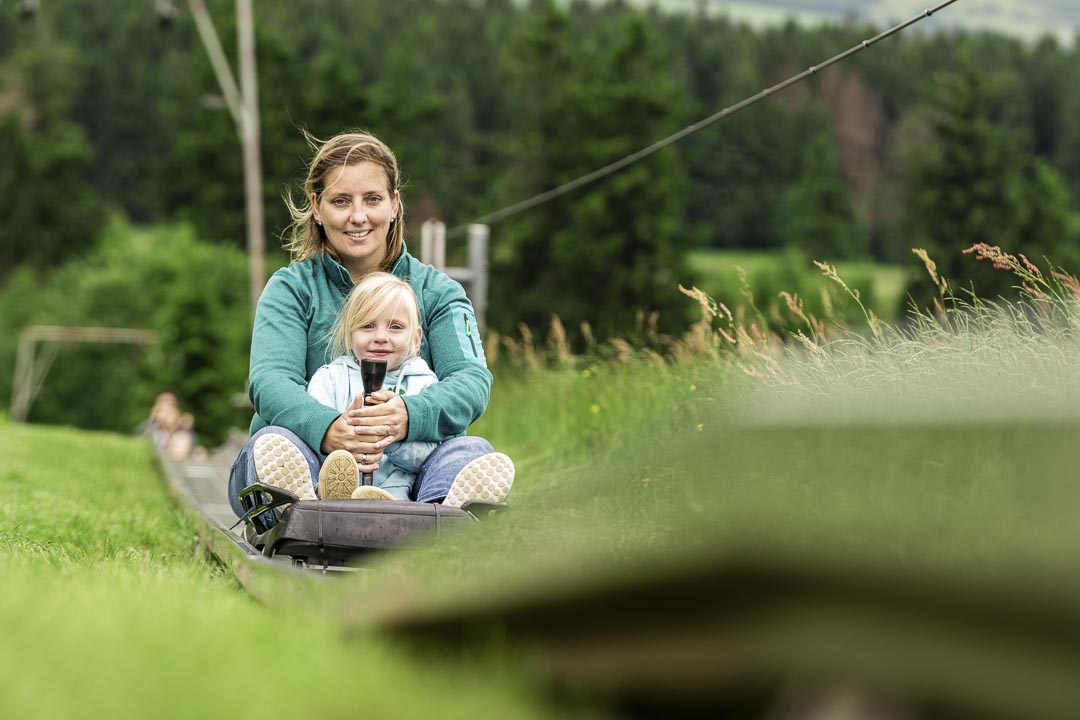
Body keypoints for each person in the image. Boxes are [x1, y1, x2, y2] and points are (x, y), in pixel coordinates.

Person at [227, 130, 513, 521]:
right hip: (316, 456)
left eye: (373, 200)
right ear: (317, 206)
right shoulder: (290, 289)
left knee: (473, 451)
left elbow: (471, 381)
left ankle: (435, 516)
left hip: (412, 470)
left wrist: (410, 416)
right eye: (341, 201)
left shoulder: (439, 292)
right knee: (272, 443)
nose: (358, 217)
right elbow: (269, 381)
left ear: (395, 205)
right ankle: (303, 506)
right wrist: (326, 427)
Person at [304, 271, 513, 504]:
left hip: (398, 499)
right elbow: (311, 436)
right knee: (307, 454)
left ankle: (445, 508)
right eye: (368, 326)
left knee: (474, 448)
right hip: (333, 489)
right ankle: (325, 498)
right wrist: (338, 436)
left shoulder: (422, 384)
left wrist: (392, 440)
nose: (381, 336)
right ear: (348, 336)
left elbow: (429, 455)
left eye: (395, 327)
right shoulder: (329, 379)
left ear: (416, 339)